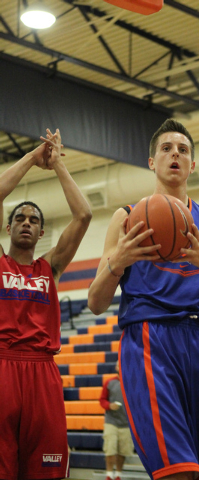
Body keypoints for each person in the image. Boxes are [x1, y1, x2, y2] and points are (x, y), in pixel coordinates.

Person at [88, 119, 199, 480]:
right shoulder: (126, 217)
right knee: (179, 471)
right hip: (151, 340)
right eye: (166, 149)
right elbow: (95, 302)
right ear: (152, 161)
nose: (175, 155)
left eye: (182, 150)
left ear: (192, 165)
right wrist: (118, 262)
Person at [0, 129, 92, 480]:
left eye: (34, 220)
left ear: (42, 233)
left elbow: (83, 216)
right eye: (20, 218)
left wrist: (56, 165)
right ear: (8, 228)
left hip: (42, 370)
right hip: (3, 366)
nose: (26, 222)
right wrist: (31, 158)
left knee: (48, 469)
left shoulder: (49, 268)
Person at [100, 359, 134, 480]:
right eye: (118, 365)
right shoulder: (109, 382)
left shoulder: (132, 382)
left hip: (126, 423)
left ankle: (118, 474)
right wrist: (109, 405)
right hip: (111, 422)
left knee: (122, 451)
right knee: (110, 450)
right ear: (116, 368)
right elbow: (102, 400)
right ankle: (109, 475)